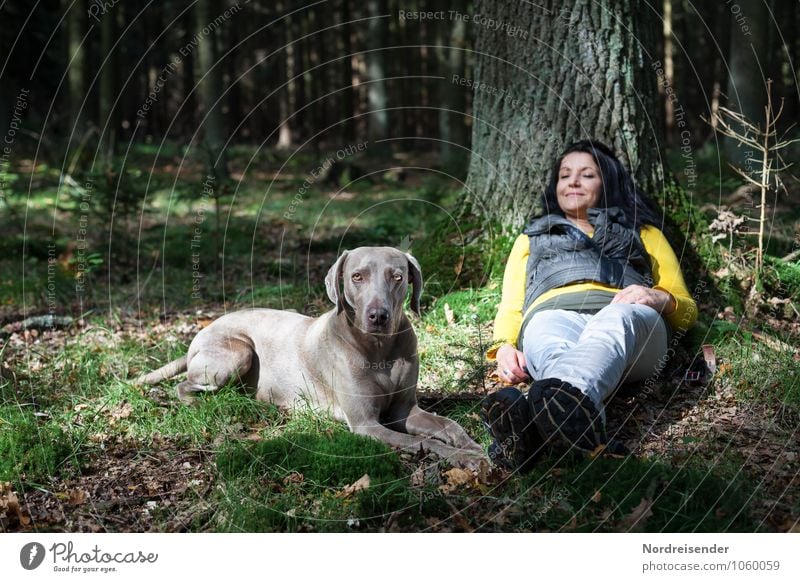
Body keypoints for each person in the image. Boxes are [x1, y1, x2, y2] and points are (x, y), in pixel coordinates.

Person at [480, 140, 697, 471]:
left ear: (607, 182)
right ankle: (551, 426)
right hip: (552, 315)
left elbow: (685, 306)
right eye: (565, 175)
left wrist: (656, 297)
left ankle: (527, 430)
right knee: (546, 338)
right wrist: (504, 347)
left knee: (614, 321)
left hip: (633, 325)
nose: (573, 182)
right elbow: (512, 305)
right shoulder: (531, 237)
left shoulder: (643, 231)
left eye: (587, 175)